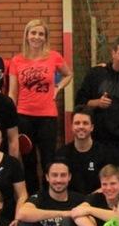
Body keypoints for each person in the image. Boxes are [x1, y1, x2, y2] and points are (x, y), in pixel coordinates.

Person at [9, 18, 74, 194]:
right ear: (27, 35)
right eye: (33, 33)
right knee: (28, 161)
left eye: (40, 34)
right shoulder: (16, 60)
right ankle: (33, 197)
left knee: (48, 160)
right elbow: (12, 92)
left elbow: (68, 74)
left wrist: (58, 87)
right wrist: (11, 116)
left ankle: (49, 196)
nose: (36, 37)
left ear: (45, 37)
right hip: (24, 116)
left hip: (47, 116)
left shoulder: (54, 56)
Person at [75, 36, 119, 146]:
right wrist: (97, 103)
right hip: (97, 139)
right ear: (113, 53)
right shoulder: (96, 73)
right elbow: (79, 102)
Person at [56, 107, 119, 195]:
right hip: (71, 201)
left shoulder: (105, 153)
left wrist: (88, 200)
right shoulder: (62, 154)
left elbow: (111, 184)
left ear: (92, 127)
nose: (81, 126)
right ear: (72, 126)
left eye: (85, 123)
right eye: (77, 123)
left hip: (97, 200)